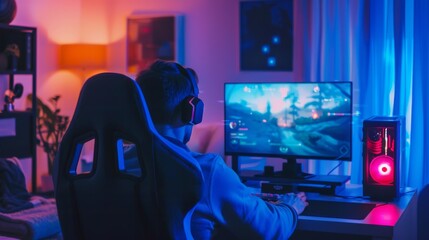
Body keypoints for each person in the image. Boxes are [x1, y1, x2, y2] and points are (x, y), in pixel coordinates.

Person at [135, 59, 308, 239]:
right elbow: (270, 229)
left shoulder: (116, 165)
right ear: (192, 111)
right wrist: (290, 206)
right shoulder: (205, 172)